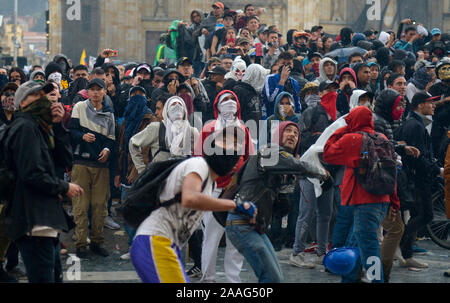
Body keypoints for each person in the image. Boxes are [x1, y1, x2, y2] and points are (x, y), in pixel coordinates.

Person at [130, 126, 256, 283]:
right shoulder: (198, 164)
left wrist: (243, 211)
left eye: (236, 145)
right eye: (225, 141)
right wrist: (234, 205)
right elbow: (189, 198)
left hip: (165, 245)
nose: (230, 147)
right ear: (210, 145)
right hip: (155, 241)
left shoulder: (210, 185)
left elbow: (208, 207)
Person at [226, 121, 328, 282]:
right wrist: (321, 173)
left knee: (276, 277)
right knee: (271, 278)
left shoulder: (281, 167)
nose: (292, 135)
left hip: (255, 225)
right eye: (288, 131)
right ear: (277, 135)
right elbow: (298, 165)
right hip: (241, 223)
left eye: (296, 133)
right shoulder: (269, 151)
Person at [3, 80, 83, 282]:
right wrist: (64, 186)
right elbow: (31, 174)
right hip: (34, 220)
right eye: (36, 96)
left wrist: (58, 127)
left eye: (44, 95)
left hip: (45, 220)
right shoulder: (25, 127)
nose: (43, 100)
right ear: (22, 103)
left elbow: (64, 161)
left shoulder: (41, 128)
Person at [323, 106, 395, 283]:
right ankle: (348, 280)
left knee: (369, 249)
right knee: (356, 244)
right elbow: (393, 172)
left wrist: (344, 129)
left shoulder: (352, 138)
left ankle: (376, 280)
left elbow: (328, 152)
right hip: (382, 200)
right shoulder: (383, 138)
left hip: (363, 201)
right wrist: (395, 202)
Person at [194, 90, 254, 283]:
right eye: (225, 100)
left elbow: (250, 159)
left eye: (232, 100)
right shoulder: (208, 128)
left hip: (238, 191)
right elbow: (198, 158)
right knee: (211, 237)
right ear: (217, 105)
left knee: (235, 240)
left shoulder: (244, 129)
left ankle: (233, 281)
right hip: (213, 190)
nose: (229, 103)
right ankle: (207, 278)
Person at [69, 79, 116, 258]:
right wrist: (82, 136)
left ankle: (97, 241)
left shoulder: (109, 113)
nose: (95, 93)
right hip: (81, 163)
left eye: (99, 89)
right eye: (92, 89)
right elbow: (71, 132)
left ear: (104, 92)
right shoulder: (79, 107)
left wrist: (107, 149)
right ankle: (81, 243)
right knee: (80, 205)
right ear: (87, 92)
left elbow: (112, 139)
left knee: (99, 206)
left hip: (101, 166)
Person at [396, 92, 444, 268]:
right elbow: (417, 156)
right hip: (417, 179)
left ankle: (407, 254)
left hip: (420, 177)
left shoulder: (417, 124)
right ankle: (399, 245)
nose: (433, 106)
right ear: (420, 105)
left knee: (418, 215)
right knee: (425, 214)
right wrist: (437, 170)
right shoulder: (414, 126)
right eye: (430, 103)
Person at [262, 51, 301, 119]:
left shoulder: (294, 82)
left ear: (293, 65)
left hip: (289, 119)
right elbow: (270, 100)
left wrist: (296, 118)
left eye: (289, 63)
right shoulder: (270, 78)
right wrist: (282, 81)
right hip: (273, 118)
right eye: (283, 63)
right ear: (278, 64)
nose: (286, 66)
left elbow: (297, 105)